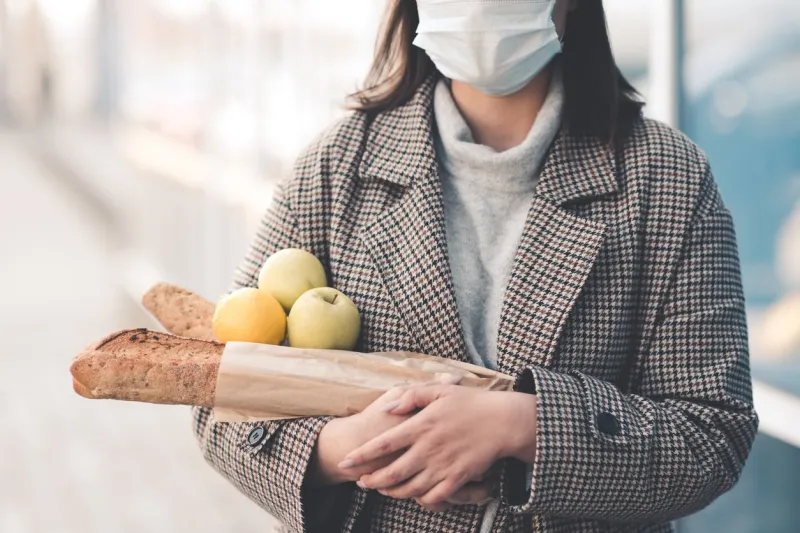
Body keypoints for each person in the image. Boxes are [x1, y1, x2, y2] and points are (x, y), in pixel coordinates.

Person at [192, 0, 759, 531]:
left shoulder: (669, 178)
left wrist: (524, 426)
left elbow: (712, 434)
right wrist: (346, 448)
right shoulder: (337, 166)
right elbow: (218, 399)